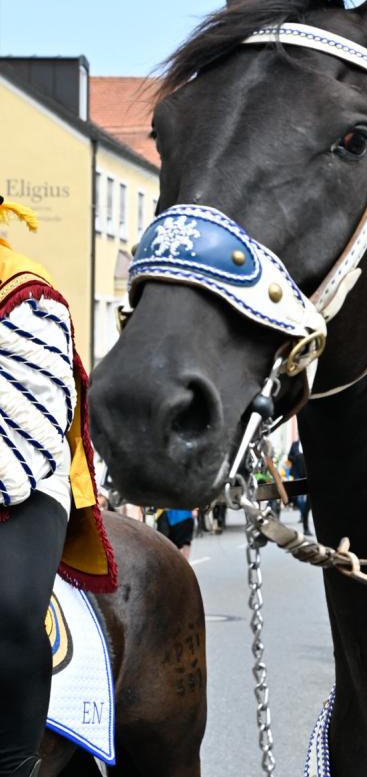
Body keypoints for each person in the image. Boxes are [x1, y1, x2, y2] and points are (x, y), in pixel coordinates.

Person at [0, 196, 116, 777]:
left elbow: (31, 422)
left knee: (8, 603)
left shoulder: (25, 293)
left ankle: (14, 761)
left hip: (22, 480)